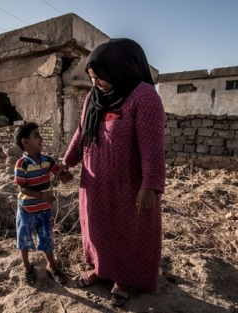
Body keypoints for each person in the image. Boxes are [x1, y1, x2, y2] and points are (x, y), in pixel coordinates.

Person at [62, 38, 166, 306]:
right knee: (97, 228)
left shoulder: (143, 96)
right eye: (93, 78)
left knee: (127, 231)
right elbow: (81, 132)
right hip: (95, 179)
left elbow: (153, 146)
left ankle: (124, 277)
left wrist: (150, 185)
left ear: (122, 69)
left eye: (101, 78)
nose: (96, 84)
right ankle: (100, 268)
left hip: (129, 183)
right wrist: (66, 162)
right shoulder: (93, 97)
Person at [13, 122, 73, 285]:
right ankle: (27, 267)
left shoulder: (47, 160)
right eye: (36, 135)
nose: (41, 138)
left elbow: (63, 177)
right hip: (27, 209)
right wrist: (42, 196)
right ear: (26, 142)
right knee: (24, 238)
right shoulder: (21, 164)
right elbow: (23, 188)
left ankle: (51, 266)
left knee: (46, 237)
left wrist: (65, 174)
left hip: (44, 209)